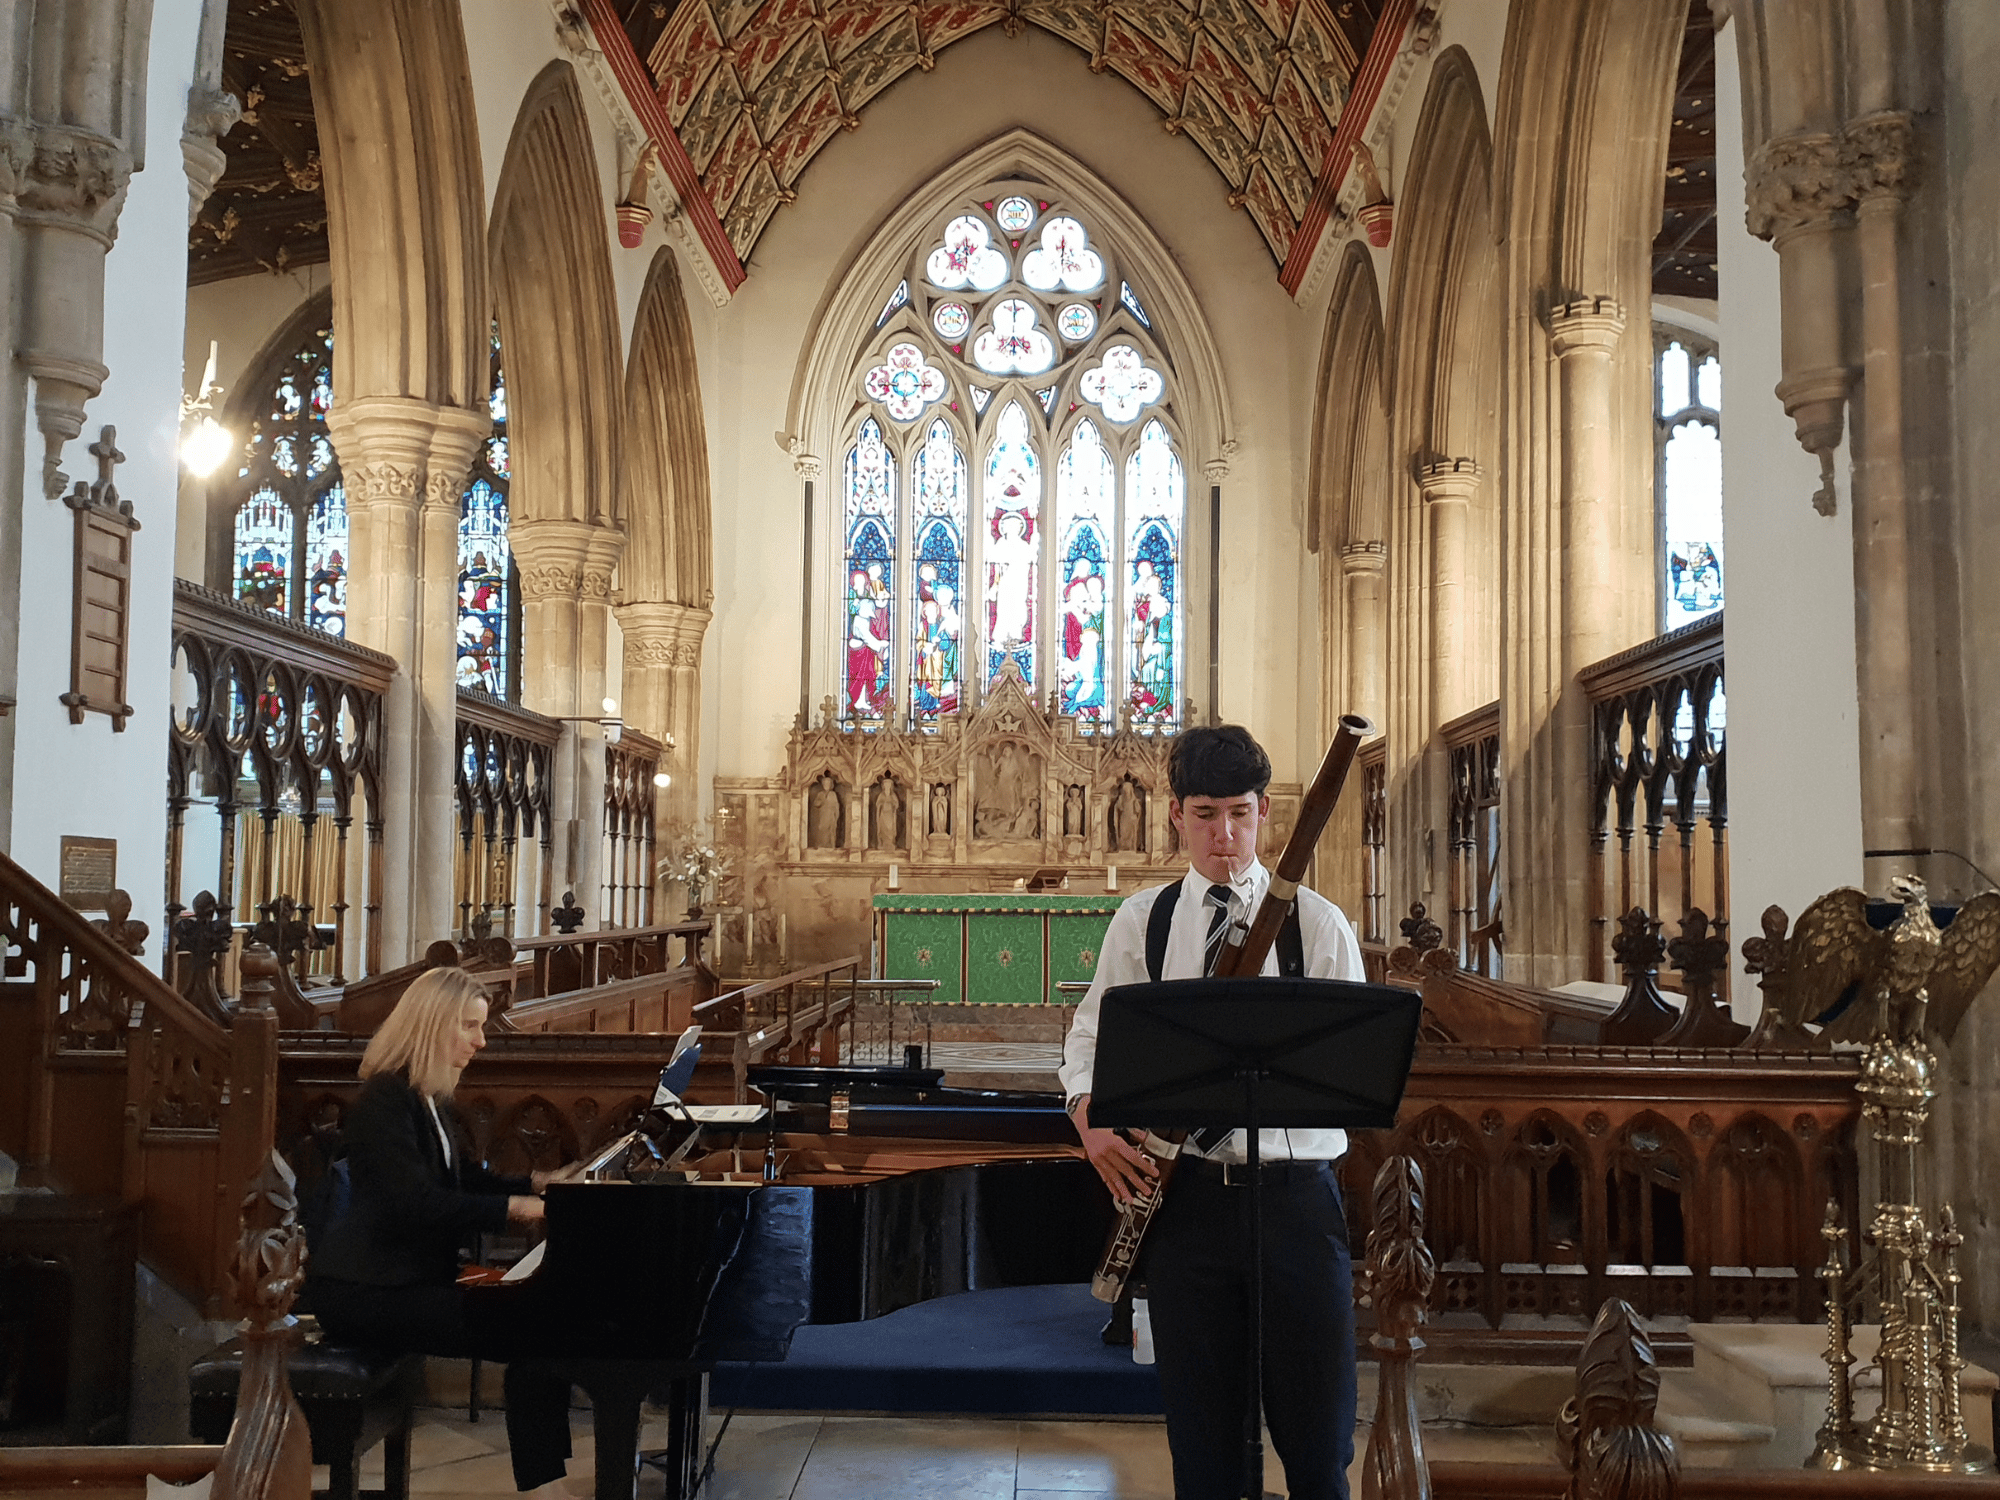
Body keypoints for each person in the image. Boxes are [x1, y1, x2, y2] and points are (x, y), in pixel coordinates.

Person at [1058, 724, 1366, 1500]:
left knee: (1317, 1441)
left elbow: (1352, 1069)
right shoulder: (1145, 921)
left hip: (1296, 1202)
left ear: (1265, 813)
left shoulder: (1319, 926)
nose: (1223, 837)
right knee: (1205, 1446)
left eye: (1239, 813)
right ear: (1174, 815)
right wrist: (1089, 1117)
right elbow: (1090, 1036)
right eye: (1204, 815)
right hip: (1190, 1203)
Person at [305, 967, 581, 1496]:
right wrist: (515, 1209)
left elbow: (464, 1180)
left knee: (544, 1312)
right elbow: (415, 1204)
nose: (481, 1040)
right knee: (535, 1323)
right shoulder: (386, 1103)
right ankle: (543, 1482)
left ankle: (545, 1474)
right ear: (433, 1026)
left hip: (410, 1279)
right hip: (367, 1291)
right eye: (470, 1026)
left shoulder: (425, 1097)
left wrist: (536, 1182)